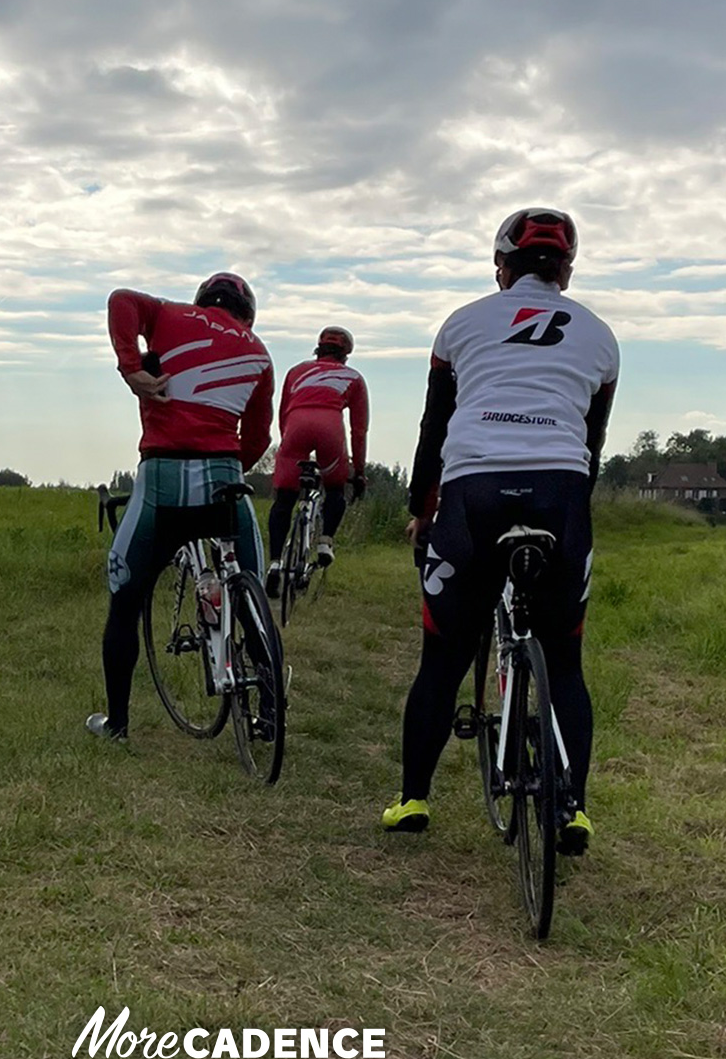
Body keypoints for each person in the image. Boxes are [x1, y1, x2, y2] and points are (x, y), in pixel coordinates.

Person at [384, 208, 619, 841]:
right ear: (565, 273)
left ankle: (412, 799)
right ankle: (571, 806)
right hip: (560, 495)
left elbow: (435, 428)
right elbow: (592, 441)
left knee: (443, 659)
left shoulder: (460, 324)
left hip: (472, 494)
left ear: (501, 269)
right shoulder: (601, 337)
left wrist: (420, 511)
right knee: (565, 663)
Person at [92, 272, 275, 742]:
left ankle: (117, 723)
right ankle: (270, 713)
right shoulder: (258, 351)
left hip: (162, 484)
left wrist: (131, 368)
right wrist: (229, 464)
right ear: (247, 314)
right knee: (253, 602)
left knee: (125, 602)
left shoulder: (169, 314)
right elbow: (255, 438)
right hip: (224, 484)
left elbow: (120, 300)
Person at [265, 325, 370, 594]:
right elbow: (359, 431)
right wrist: (358, 472)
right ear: (346, 354)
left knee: (284, 500)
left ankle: (275, 562)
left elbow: (283, 414)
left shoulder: (297, 371)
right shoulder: (354, 378)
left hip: (295, 427)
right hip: (330, 428)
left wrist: (288, 448)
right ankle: (325, 541)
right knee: (335, 489)